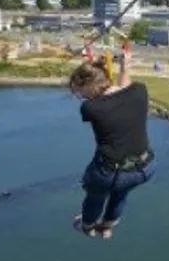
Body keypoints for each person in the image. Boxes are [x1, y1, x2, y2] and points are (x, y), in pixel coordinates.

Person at [67, 44, 156, 240]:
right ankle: (107, 226)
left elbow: (107, 97)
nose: (82, 96)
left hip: (110, 174)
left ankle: (88, 225)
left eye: (81, 91)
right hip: (145, 168)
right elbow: (124, 89)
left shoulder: (90, 108)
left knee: (95, 191)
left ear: (88, 86)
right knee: (121, 191)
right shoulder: (140, 91)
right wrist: (125, 67)